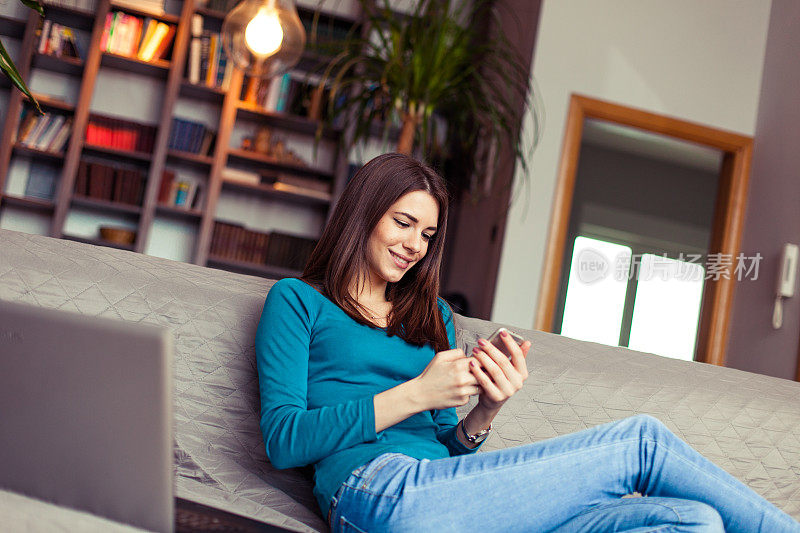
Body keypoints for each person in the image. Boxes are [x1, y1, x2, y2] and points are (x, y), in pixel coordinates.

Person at [255, 153, 799, 532]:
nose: (415, 245)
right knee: (643, 445)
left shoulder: (433, 315)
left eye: (427, 235)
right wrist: (416, 394)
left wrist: (486, 412)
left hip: (453, 494)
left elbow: (449, 447)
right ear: (364, 213)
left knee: (691, 522)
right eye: (404, 223)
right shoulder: (298, 302)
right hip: (376, 495)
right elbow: (283, 440)